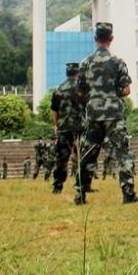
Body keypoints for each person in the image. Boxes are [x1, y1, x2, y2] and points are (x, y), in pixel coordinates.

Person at [74, 22, 138, 205]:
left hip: (94, 113)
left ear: (96, 39)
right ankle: (128, 195)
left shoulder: (85, 63)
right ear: (111, 39)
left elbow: (80, 92)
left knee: (88, 154)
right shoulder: (117, 62)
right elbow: (126, 90)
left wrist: (95, 94)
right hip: (114, 114)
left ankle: (80, 194)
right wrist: (112, 93)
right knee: (122, 154)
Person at [51, 62, 86, 194]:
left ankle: (57, 186)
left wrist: (56, 125)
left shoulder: (59, 89)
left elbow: (54, 110)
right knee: (81, 157)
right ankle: (82, 185)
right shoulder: (82, 88)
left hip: (64, 128)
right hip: (80, 127)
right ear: (78, 73)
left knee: (61, 158)